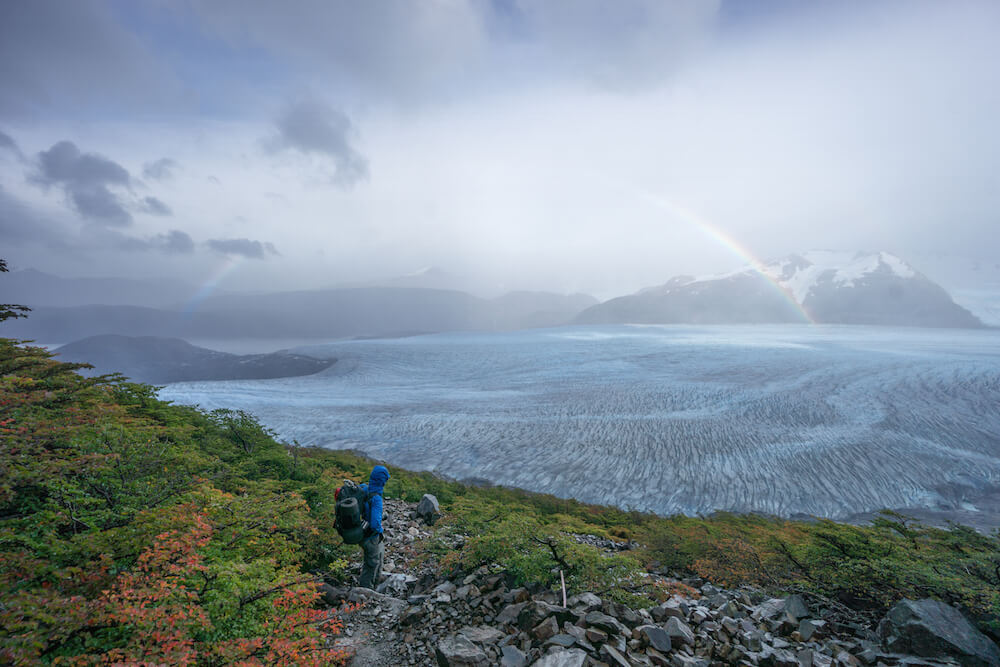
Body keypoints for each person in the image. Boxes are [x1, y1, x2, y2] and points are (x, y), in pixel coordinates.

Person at [358, 465, 390, 589]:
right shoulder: (376, 498)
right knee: (371, 565)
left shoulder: (364, 489)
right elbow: (375, 524)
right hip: (371, 537)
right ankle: (366, 591)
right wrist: (381, 522)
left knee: (378, 559)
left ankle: (374, 587)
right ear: (382, 481)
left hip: (362, 532)